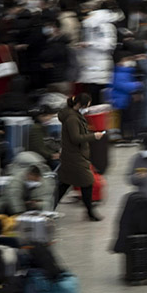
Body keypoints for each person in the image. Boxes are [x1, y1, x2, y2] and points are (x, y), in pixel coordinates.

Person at [56, 93, 105, 222]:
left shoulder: (73, 114)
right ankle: (90, 212)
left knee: (65, 184)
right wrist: (93, 136)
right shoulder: (72, 118)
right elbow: (76, 138)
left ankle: (50, 207)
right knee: (87, 182)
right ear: (81, 104)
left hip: (73, 155)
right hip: (74, 156)